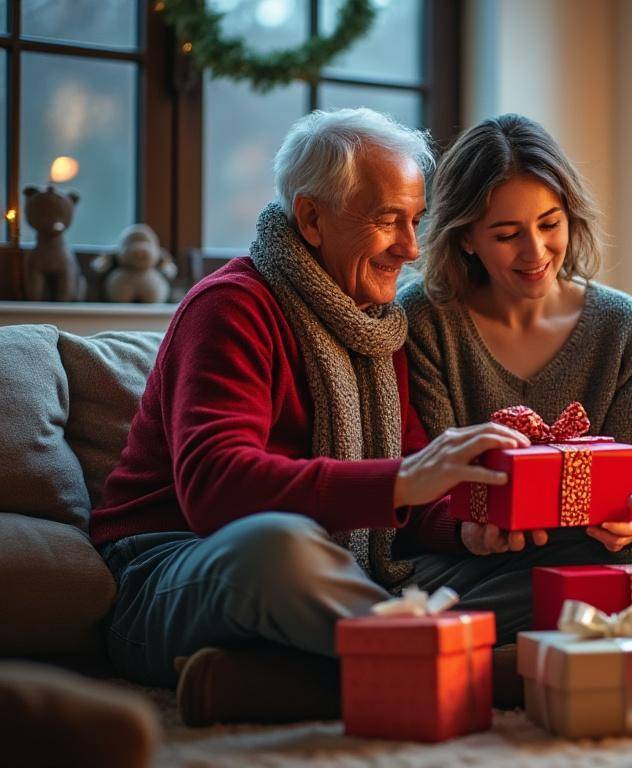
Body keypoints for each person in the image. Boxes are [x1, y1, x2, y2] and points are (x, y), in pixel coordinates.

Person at [91, 108, 531, 725]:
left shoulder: (380, 325)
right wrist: (403, 480)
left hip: (354, 570)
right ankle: (482, 675)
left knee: (551, 566)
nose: (409, 247)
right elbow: (216, 489)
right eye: (387, 221)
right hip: (177, 571)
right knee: (278, 546)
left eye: (415, 220)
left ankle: (267, 682)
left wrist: (466, 528)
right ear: (311, 218)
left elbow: (412, 504)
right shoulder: (232, 306)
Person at [397, 114, 632, 644]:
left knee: (605, 572)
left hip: (585, 552)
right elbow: (428, 479)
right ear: (467, 238)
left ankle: (441, 644)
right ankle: (474, 647)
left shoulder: (619, 324)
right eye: (506, 234)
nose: (535, 252)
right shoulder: (426, 319)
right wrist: (471, 531)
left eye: (550, 224)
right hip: (465, 564)